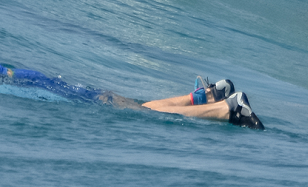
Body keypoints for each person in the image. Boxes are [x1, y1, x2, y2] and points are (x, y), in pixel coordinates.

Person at [1, 64, 264, 129]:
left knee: (142, 112)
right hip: (80, 94)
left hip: (80, 98)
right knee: (142, 107)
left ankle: (228, 108)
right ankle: (206, 97)